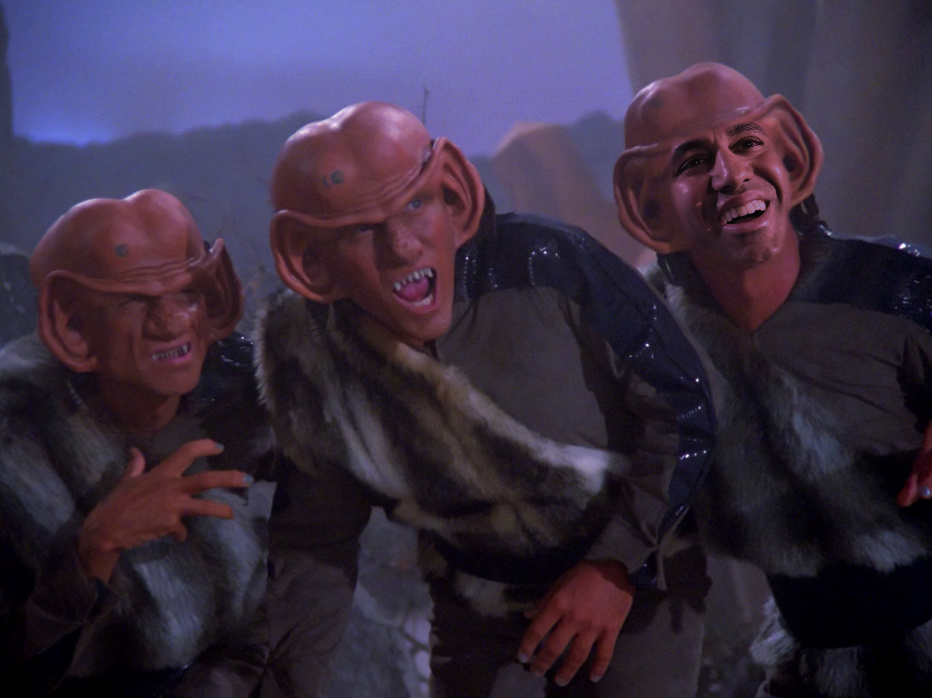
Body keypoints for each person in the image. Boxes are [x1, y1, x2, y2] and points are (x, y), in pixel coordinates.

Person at [255, 101, 716, 697]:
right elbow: (317, 542)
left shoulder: (548, 262)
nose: (402, 246)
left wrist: (614, 563)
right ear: (308, 258)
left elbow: (683, 407)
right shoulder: (315, 357)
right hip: (480, 606)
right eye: (360, 230)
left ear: (454, 194)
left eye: (415, 205)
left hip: (640, 579)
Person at [614, 61, 932, 697]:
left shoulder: (896, 289)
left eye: (747, 142)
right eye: (692, 161)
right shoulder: (654, 348)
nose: (731, 175)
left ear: (791, 156)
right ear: (651, 208)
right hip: (813, 662)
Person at [0, 189, 274, 697]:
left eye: (187, 294)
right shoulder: (14, 445)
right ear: (74, 325)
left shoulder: (242, 392)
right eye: (134, 300)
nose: (173, 323)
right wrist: (95, 550)